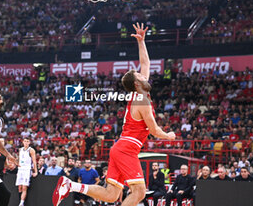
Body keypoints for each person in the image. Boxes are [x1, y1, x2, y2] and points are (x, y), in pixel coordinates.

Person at [52, 23, 175, 206]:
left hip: (121, 147)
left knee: (111, 195)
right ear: (136, 83)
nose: (144, 75)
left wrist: (141, 41)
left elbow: (145, 63)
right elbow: (154, 130)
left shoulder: (139, 93)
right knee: (139, 192)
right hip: (126, 149)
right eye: (140, 76)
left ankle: (72, 186)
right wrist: (169, 135)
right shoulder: (142, 100)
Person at [16, 138, 38, 206]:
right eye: (25, 141)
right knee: (19, 187)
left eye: (27, 141)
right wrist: (17, 170)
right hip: (20, 170)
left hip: (27, 170)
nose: (26, 142)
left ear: (29, 142)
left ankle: (21, 203)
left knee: (24, 187)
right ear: (23, 142)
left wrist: (35, 171)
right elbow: (19, 160)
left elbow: (34, 161)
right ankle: (20, 200)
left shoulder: (31, 150)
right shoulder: (20, 149)